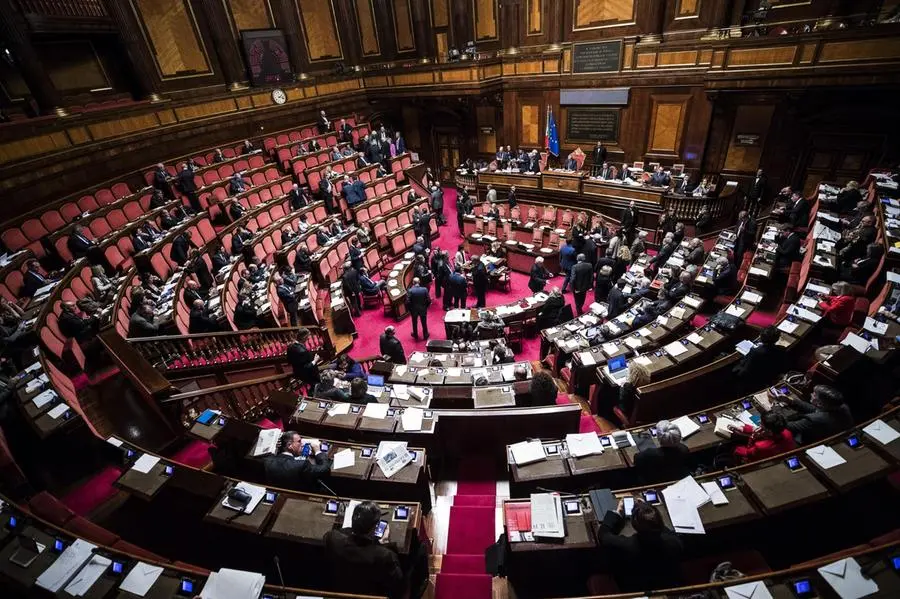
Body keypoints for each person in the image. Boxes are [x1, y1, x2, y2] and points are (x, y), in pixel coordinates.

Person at [323, 500, 407, 599]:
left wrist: (349, 531)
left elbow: (335, 534)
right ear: (375, 528)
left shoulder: (332, 539)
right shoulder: (384, 556)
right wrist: (385, 543)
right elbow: (399, 588)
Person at [596, 499, 684, 592]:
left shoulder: (626, 546)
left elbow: (603, 535)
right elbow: (665, 531)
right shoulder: (675, 543)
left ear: (634, 524)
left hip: (633, 589)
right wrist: (650, 513)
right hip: (666, 585)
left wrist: (617, 513)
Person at [784, 385, 853, 444]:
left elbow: (788, 426)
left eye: (814, 394)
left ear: (820, 403)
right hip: (827, 433)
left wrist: (774, 417)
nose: (811, 394)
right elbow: (816, 409)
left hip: (810, 442)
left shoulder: (814, 419)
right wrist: (791, 401)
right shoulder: (841, 407)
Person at [264, 431, 331, 490]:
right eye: (299, 442)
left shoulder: (268, 461)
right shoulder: (301, 465)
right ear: (289, 445)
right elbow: (325, 470)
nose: (302, 444)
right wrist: (318, 451)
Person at [633, 419, 690, 484]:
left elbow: (636, 459)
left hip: (652, 483)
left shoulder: (646, 454)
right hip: (675, 479)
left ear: (658, 437)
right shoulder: (684, 450)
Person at [730, 412, 797, 463]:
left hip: (760, 461)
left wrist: (753, 437)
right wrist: (744, 429)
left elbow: (748, 452)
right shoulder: (786, 432)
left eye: (762, 423)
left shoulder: (761, 446)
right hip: (776, 457)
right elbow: (764, 432)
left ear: (768, 430)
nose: (759, 422)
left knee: (734, 448)